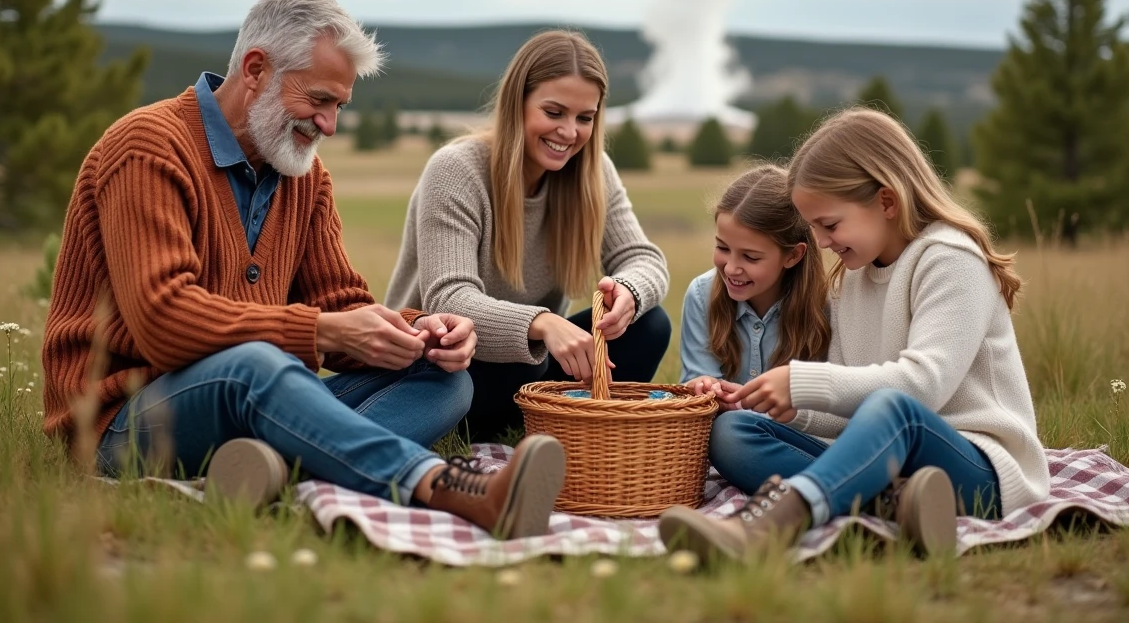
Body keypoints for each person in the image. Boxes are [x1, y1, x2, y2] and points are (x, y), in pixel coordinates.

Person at [41, 0, 565, 539]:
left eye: (339, 106)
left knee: (447, 379)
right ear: (256, 69)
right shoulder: (148, 147)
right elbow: (163, 322)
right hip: (121, 421)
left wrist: (416, 333)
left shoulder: (304, 176)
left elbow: (339, 304)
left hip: (249, 400)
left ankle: (267, 473)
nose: (330, 124)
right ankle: (449, 488)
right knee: (256, 366)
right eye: (319, 100)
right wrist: (319, 331)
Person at [659, 107, 1049, 560]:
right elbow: (850, 413)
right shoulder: (855, 278)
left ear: (886, 202)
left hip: (980, 469)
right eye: (815, 228)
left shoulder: (950, 260)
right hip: (902, 465)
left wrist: (803, 382)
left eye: (829, 224)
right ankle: (897, 504)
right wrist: (778, 406)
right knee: (734, 430)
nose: (823, 243)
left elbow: (923, 388)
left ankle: (768, 528)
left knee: (894, 407)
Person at [385, 30, 671, 442]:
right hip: (445, 369)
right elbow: (449, 300)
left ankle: (568, 429)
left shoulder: (593, 172)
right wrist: (542, 323)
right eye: (554, 112)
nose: (569, 133)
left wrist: (628, 293)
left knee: (650, 324)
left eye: (585, 118)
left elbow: (644, 259)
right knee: (524, 359)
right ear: (518, 103)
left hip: (530, 367)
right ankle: (525, 426)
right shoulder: (457, 169)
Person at [678, 164, 830, 404]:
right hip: (724, 428)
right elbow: (697, 379)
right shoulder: (701, 294)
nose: (730, 268)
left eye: (750, 257)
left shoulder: (826, 306)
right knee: (727, 429)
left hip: (797, 434)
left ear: (793, 256)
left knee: (729, 430)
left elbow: (827, 406)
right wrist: (702, 385)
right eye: (722, 248)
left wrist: (748, 406)